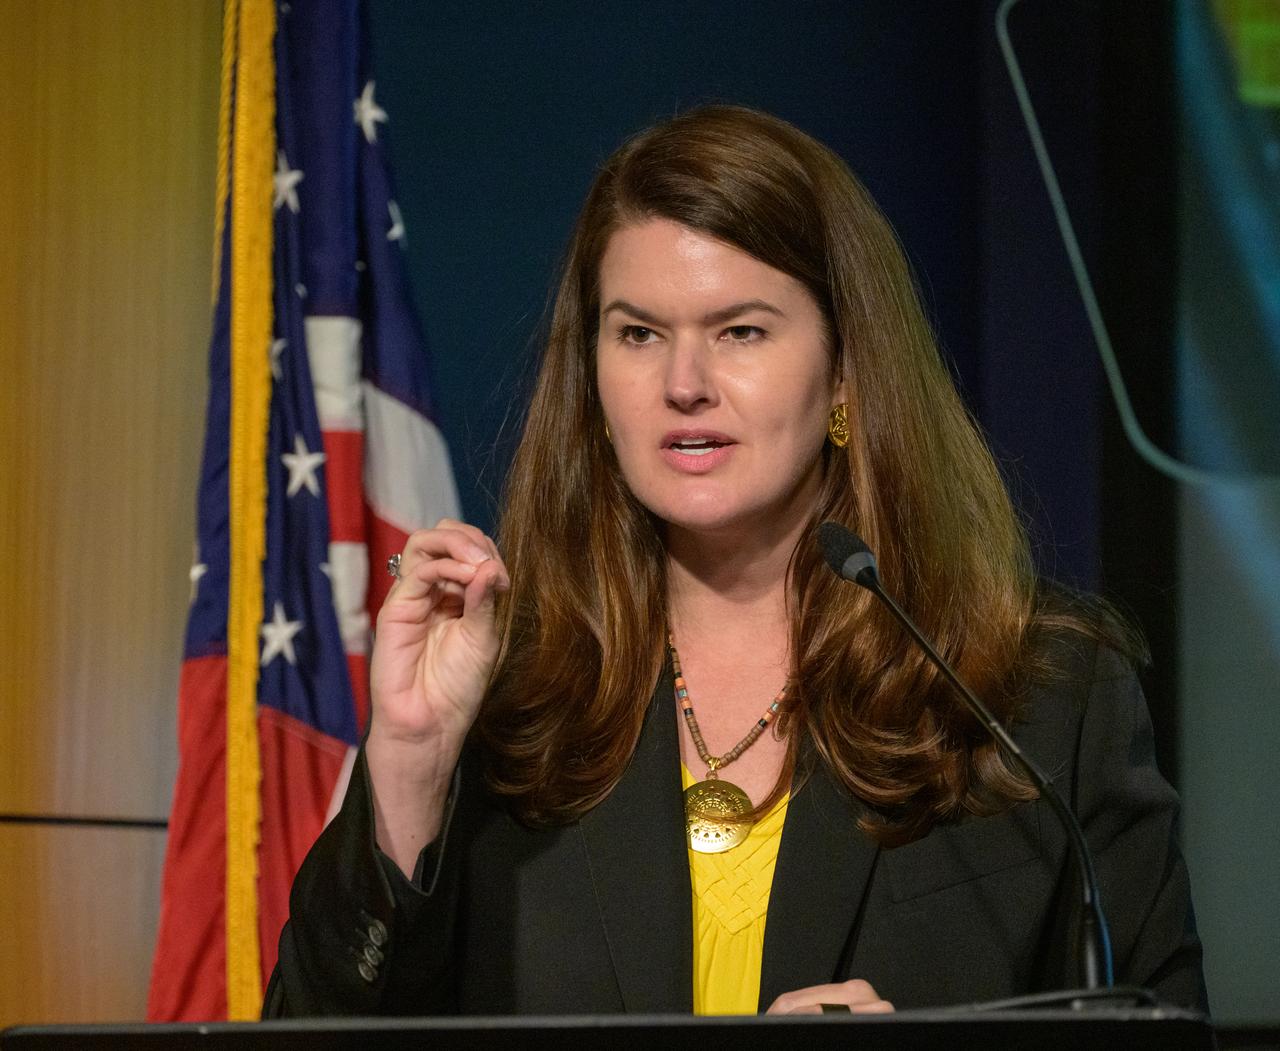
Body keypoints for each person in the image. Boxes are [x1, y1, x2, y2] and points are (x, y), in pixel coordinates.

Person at [263, 105, 1206, 1017]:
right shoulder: (503, 706)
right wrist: (414, 765)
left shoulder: (1038, 701)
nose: (683, 385)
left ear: (846, 372)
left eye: (740, 331)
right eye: (638, 333)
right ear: (592, 381)